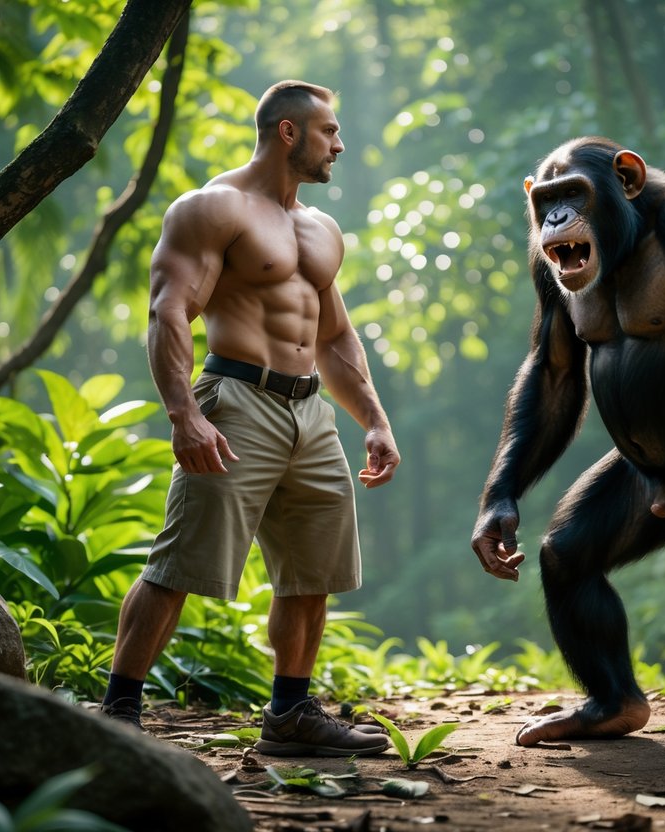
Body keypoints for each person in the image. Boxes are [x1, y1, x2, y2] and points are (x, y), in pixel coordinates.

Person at [100, 80, 400, 758]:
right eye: (329, 131)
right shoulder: (212, 208)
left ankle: (289, 715)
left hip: (310, 410)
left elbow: (334, 336)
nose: (339, 145)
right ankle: (117, 713)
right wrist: (183, 413)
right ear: (288, 132)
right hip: (235, 401)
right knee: (179, 562)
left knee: (314, 571)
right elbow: (169, 311)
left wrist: (374, 421)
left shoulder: (320, 228)